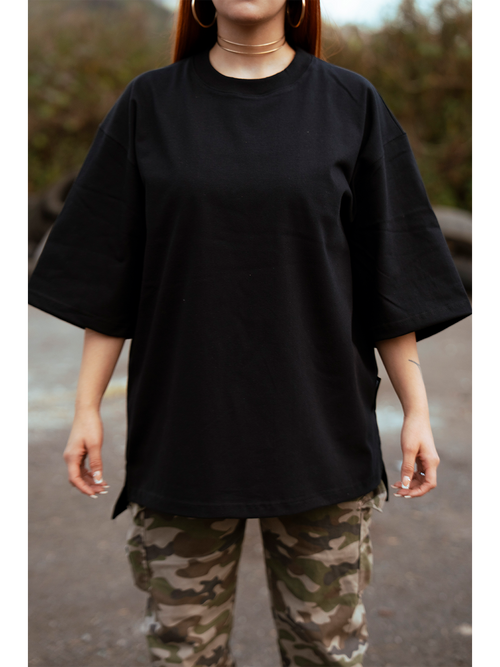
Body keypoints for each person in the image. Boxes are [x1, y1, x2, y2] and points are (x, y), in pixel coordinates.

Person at [25, 0, 474, 664]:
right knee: (184, 653)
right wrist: (86, 407)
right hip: (184, 436)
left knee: (325, 652)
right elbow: (107, 270)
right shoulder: (150, 105)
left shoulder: (351, 104)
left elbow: (392, 273)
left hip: (321, 436)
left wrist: (417, 412)